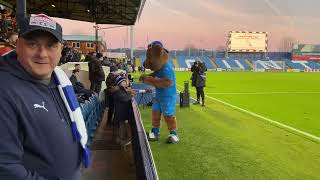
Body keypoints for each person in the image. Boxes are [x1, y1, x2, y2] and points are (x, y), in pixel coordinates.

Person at [0, 14, 88, 179]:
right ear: (17, 45)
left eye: (51, 46)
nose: (42, 53)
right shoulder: (4, 89)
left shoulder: (57, 78)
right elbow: (5, 169)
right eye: (32, 44)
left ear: (61, 50)